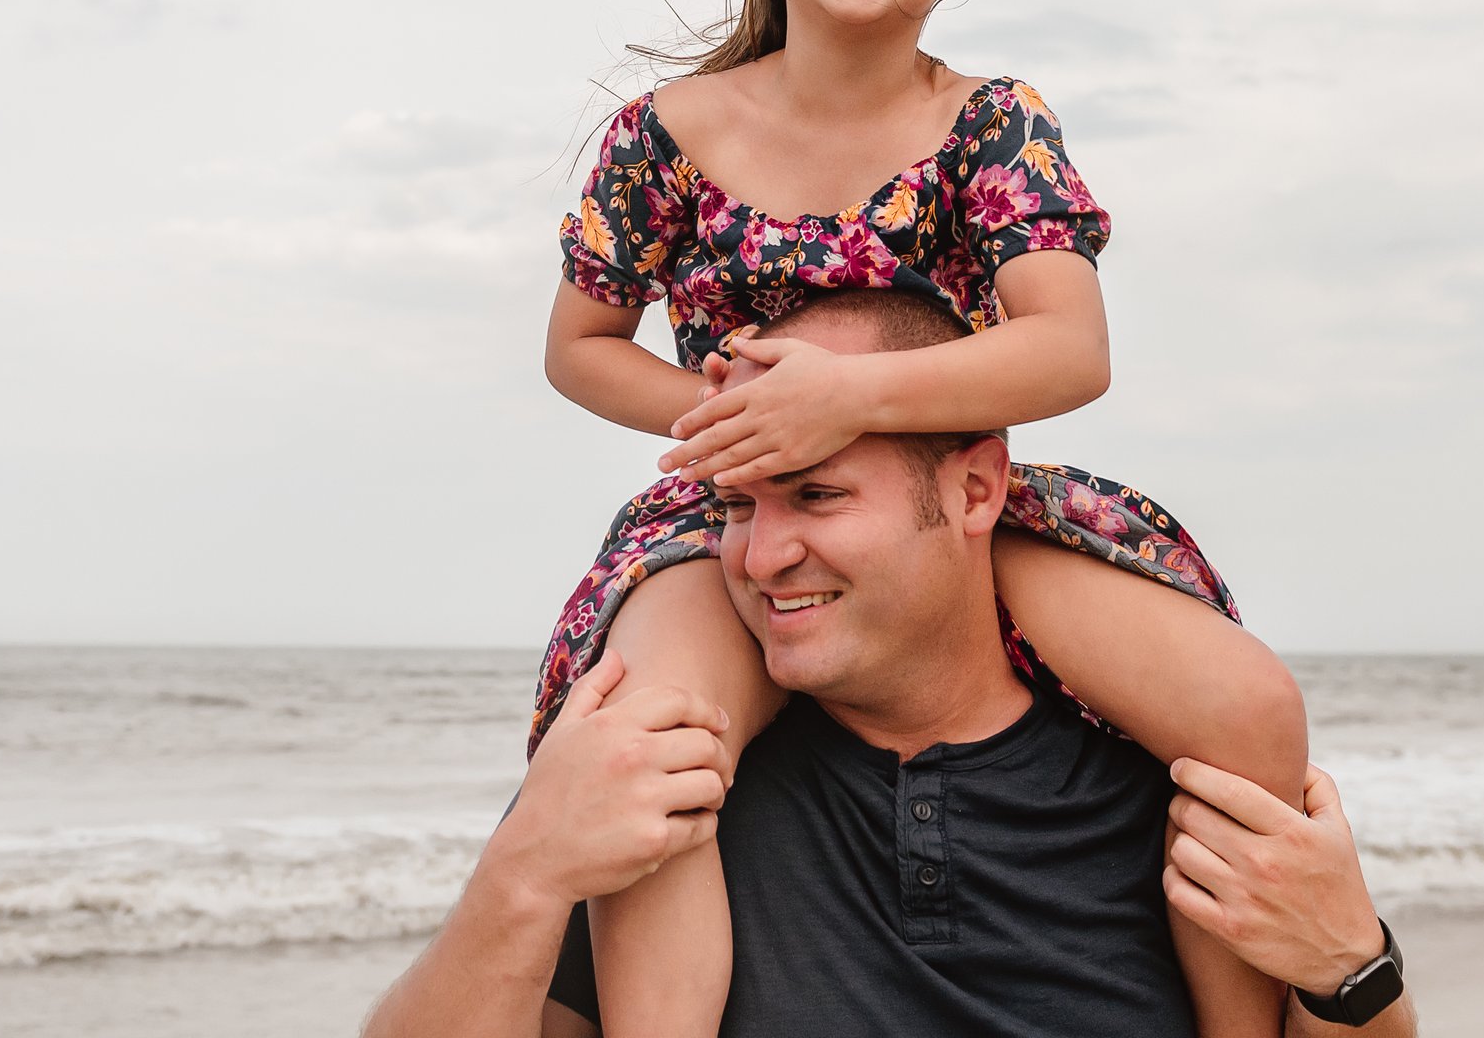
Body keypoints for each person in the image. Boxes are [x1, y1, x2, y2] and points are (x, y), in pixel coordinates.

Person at [537, 0, 1305, 1034]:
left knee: (1244, 702)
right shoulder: (661, 133)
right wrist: (738, 426)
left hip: (953, 504)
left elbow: (1069, 350)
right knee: (652, 742)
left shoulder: (991, 124)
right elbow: (580, 344)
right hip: (732, 502)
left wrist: (850, 401)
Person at [368, 290, 1414, 1038]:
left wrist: (1352, 970)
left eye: (817, 495)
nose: (760, 553)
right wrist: (519, 877)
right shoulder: (657, 768)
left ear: (972, 493)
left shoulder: (1158, 767)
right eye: (733, 504)